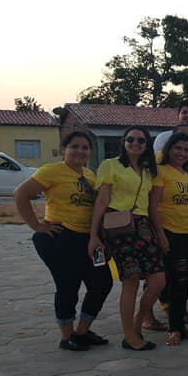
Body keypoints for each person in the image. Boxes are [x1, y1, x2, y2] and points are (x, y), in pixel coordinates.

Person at [14, 131, 113, 351]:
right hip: (60, 237)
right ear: (63, 150)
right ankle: (66, 336)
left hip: (88, 239)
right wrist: (37, 225)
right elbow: (20, 194)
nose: (80, 151)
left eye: (85, 147)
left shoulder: (90, 175)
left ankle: (82, 331)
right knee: (68, 286)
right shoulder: (52, 171)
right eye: (74, 147)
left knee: (102, 282)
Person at [88, 126, 163, 350]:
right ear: (124, 141)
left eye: (141, 140)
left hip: (143, 227)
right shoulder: (110, 165)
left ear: (147, 145)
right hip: (118, 226)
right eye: (131, 139)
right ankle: (129, 336)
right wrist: (93, 235)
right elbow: (101, 202)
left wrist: (159, 234)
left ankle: (138, 322)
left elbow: (151, 206)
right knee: (130, 281)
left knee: (159, 279)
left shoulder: (148, 171)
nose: (135, 143)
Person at [150, 133, 188, 346]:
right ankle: (174, 327)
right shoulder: (161, 172)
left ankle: (180, 325)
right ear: (168, 149)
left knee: (183, 280)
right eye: (178, 148)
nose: (182, 153)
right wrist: (161, 235)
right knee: (173, 281)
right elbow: (153, 206)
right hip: (170, 232)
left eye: (186, 150)